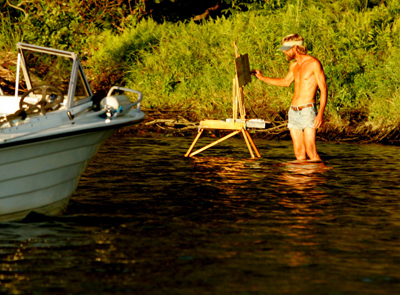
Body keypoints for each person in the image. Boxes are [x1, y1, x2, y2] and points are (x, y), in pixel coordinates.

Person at [251, 33, 327, 162]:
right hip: (293, 111)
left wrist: (320, 114)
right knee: (299, 153)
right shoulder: (294, 66)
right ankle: (300, 181)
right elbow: (285, 82)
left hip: (308, 111)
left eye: (287, 49)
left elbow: (324, 89)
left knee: (311, 152)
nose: (285, 52)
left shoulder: (314, 63)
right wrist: (262, 78)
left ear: (295, 48)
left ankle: (321, 178)